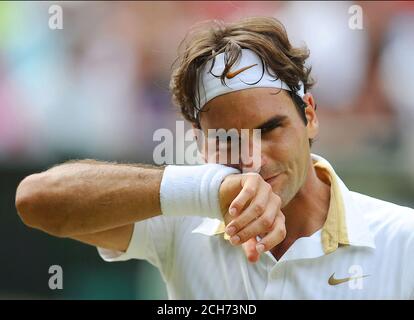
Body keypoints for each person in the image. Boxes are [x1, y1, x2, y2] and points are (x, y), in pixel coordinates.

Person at [15, 17, 414, 299]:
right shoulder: (184, 219)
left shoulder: (404, 240)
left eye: (270, 128)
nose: (253, 159)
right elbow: (35, 201)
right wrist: (207, 192)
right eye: (227, 139)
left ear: (309, 116)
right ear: (200, 142)